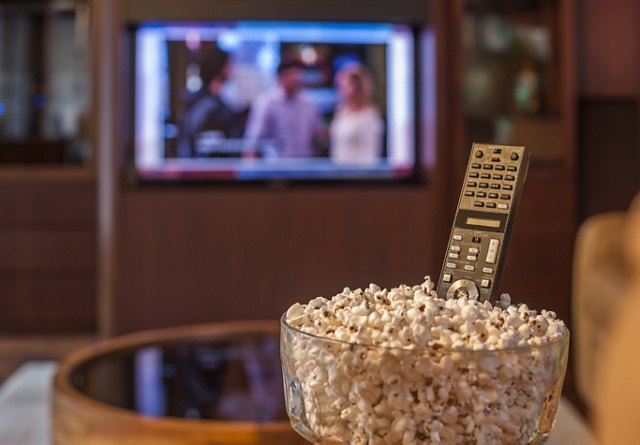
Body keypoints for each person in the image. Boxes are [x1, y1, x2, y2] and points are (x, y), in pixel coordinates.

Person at [244, 60, 323, 158]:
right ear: (281, 77)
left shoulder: (309, 103)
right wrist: (250, 169)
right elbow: (253, 141)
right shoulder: (266, 102)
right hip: (275, 168)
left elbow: (317, 136)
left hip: (304, 166)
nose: (296, 78)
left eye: (298, 74)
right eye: (292, 74)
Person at [177, 46, 244, 158]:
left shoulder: (220, 100)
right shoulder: (205, 103)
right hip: (206, 170)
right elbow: (196, 142)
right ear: (219, 66)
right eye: (229, 64)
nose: (233, 68)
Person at [329, 62, 384, 166]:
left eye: (343, 84)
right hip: (338, 173)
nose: (339, 89)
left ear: (357, 86)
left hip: (358, 176)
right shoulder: (341, 111)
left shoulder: (370, 115)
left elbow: (371, 156)